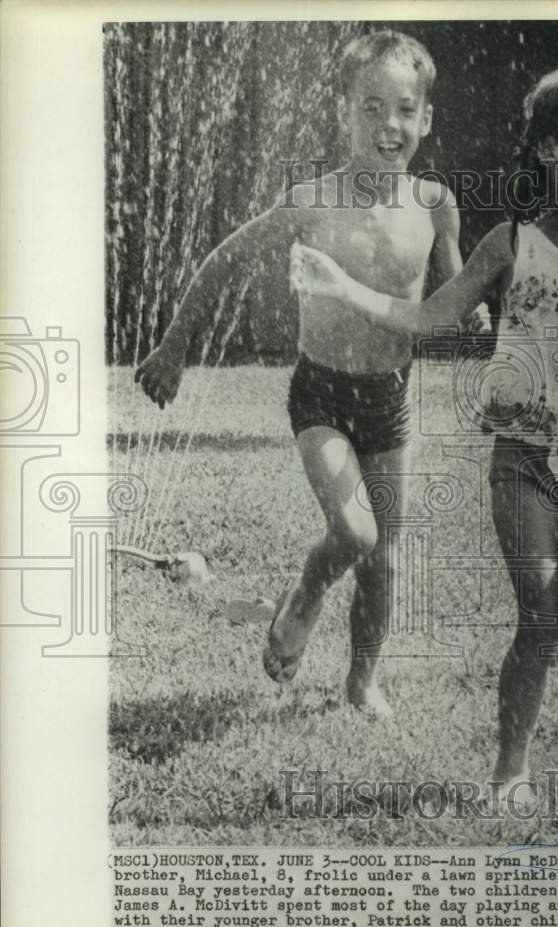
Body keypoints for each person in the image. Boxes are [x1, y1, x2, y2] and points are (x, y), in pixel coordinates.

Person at [290, 65, 558, 804]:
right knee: (537, 624)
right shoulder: (510, 244)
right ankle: (509, 771)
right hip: (523, 468)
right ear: (547, 150)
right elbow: (425, 317)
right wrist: (340, 285)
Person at [136, 30, 485, 715]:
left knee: (384, 559)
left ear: (426, 118)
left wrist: (469, 312)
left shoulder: (434, 204)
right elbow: (223, 260)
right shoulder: (312, 200)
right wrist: (174, 347)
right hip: (320, 394)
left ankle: (360, 683)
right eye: (370, 107)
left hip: (390, 399)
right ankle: (306, 594)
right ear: (341, 111)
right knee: (356, 535)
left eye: (404, 109)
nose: (389, 125)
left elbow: (448, 280)